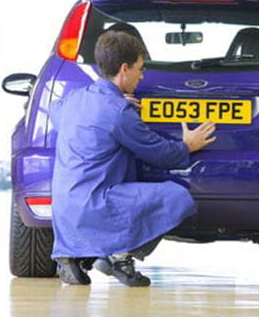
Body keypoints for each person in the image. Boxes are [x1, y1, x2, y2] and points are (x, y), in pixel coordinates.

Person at [50, 30, 216, 287]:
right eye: (140, 69)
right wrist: (187, 145)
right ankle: (119, 256)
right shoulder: (118, 112)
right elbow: (159, 153)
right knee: (178, 197)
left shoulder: (73, 99)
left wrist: (114, 98)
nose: (143, 75)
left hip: (64, 209)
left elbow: (57, 112)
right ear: (124, 69)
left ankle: (72, 253)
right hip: (96, 204)